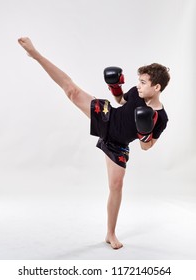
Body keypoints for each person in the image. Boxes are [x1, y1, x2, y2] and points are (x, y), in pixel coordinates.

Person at [18, 37, 170, 249]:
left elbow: (146, 146)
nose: (138, 85)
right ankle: (36, 55)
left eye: (143, 82)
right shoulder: (136, 92)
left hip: (119, 143)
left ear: (157, 87)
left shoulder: (161, 117)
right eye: (139, 81)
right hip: (108, 116)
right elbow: (120, 102)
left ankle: (110, 233)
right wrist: (116, 88)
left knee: (116, 186)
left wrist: (145, 131)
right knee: (72, 91)